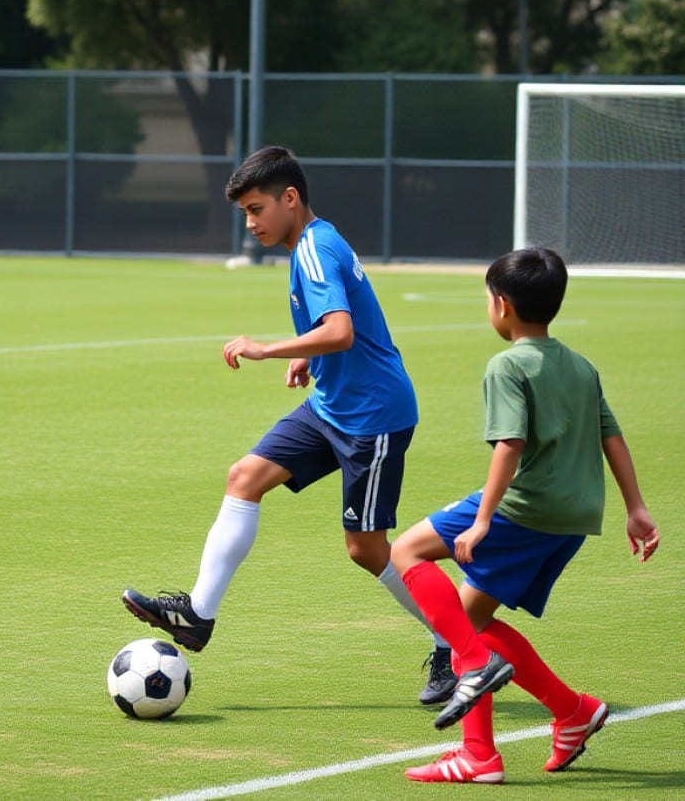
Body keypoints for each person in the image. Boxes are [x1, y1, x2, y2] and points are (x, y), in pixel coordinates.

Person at [122, 145, 453, 703]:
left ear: (291, 199)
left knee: (367, 549)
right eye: (244, 213)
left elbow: (341, 330)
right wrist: (307, 354)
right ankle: (198, 615)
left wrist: (269, 348)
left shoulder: (316, 248)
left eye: (256, 209)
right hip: (331, 406)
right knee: (244, 478)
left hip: (372, 417)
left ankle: (457, 642)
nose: (250, 224)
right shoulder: (311, 244)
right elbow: (339, 327)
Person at [392, 247, 660, 784]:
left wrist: (483, 520)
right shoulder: (581, 365)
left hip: (527, 507)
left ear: (502, 305)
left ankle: (476, 681)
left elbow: (509, 444)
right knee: (470, 618)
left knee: (406, 550)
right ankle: (565, 715)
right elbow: (611, 435)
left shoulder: (508, 365)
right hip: (577, 515)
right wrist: (636, 507)